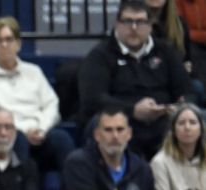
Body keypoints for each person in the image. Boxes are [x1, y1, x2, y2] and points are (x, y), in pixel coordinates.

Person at [78, 0, 193, 159]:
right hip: (123, 120)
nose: (134, 28)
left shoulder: (166, 51)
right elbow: (92, 100)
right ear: (117, 24)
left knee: (193, 119)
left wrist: (177, 107)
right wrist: (133, 110)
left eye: (140, 22)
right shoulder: (100, 55)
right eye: (128, 21)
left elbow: (187, 91)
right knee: (100, 124)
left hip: (163, 121)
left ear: (150, 25)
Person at [0, 16, 75, 173]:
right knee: (17, 139)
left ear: (18, 44)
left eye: (9, 39)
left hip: (40, 134)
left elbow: (51, 104)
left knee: (61, 139)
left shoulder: (33, 72)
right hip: (7, 137)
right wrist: (25, 130)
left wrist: (41, 128)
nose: (5, 45)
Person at [151, 103, 206, 190]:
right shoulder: (160, 162)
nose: (187, 127)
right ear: (173, 130)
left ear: (201, 129)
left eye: (193, 122)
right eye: (181, 123)